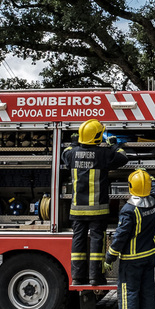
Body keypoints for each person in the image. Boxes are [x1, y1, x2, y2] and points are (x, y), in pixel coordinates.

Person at [61, 120, 128, 286]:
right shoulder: (102, 154)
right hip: (98, 211)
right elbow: (122, 158)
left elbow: (65, 153)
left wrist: (74, 142)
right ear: (98, 137)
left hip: (77, 210)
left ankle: (77, 277)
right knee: (97, 242)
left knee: (78, 241)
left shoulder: (73, 153)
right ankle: (95, 277)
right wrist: (114, 145)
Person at [106, 169, 155, 309]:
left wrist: (110, 255)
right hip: (148, 256)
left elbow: (121, 236)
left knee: (128, 292)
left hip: (131, 259)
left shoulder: (128, 210)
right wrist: (149, 177)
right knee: (147, 292)